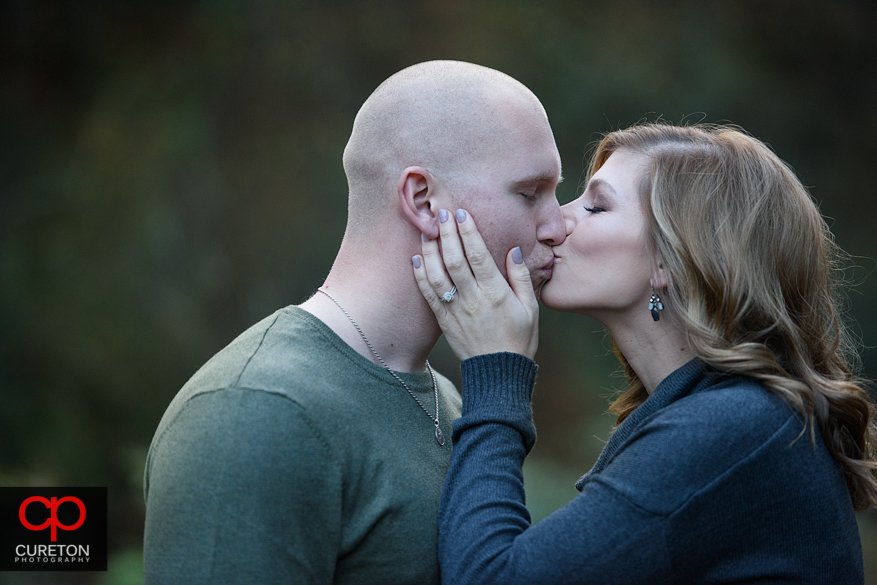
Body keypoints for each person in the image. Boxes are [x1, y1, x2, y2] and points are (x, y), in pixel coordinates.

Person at [141, 60, 566, 584]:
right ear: (423, 200)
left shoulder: (448, 399)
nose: (559, 225)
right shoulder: (257, 410)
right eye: (529, 193)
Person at [413, 123, 877, 584]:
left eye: (595, 206)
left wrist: (495, 368)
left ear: (670, 259)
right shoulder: (740, 418)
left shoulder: (733, 428)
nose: (555, 224)